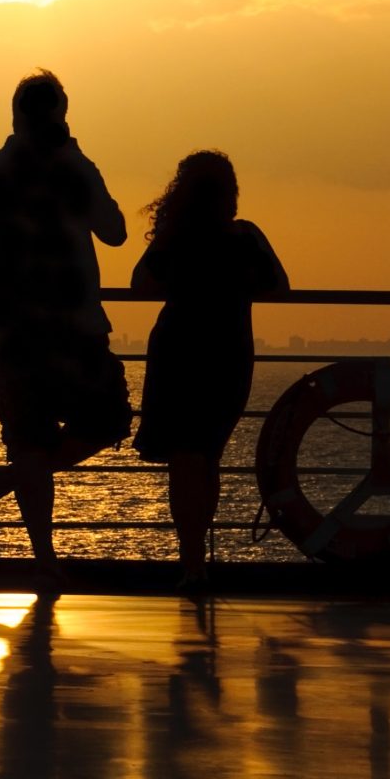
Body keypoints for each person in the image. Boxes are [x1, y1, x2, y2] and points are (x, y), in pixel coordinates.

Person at [0, 70, 131, 588]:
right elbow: (115, 233)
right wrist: (75, 157)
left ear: (14, 114)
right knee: (109, 420)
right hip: (75, 327)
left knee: (28, 441)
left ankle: (43, 557)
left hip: (8, 332)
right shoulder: (73, 168)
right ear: (61, 116)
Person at [131, 150, 288, 594]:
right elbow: (280, 287)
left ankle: (192, 561)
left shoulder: (174, 238)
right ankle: (198, 561)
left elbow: (140, 285)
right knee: (207, 455)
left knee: (184, 458)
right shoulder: (244, 237)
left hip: (178, 350)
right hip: (228, 352)